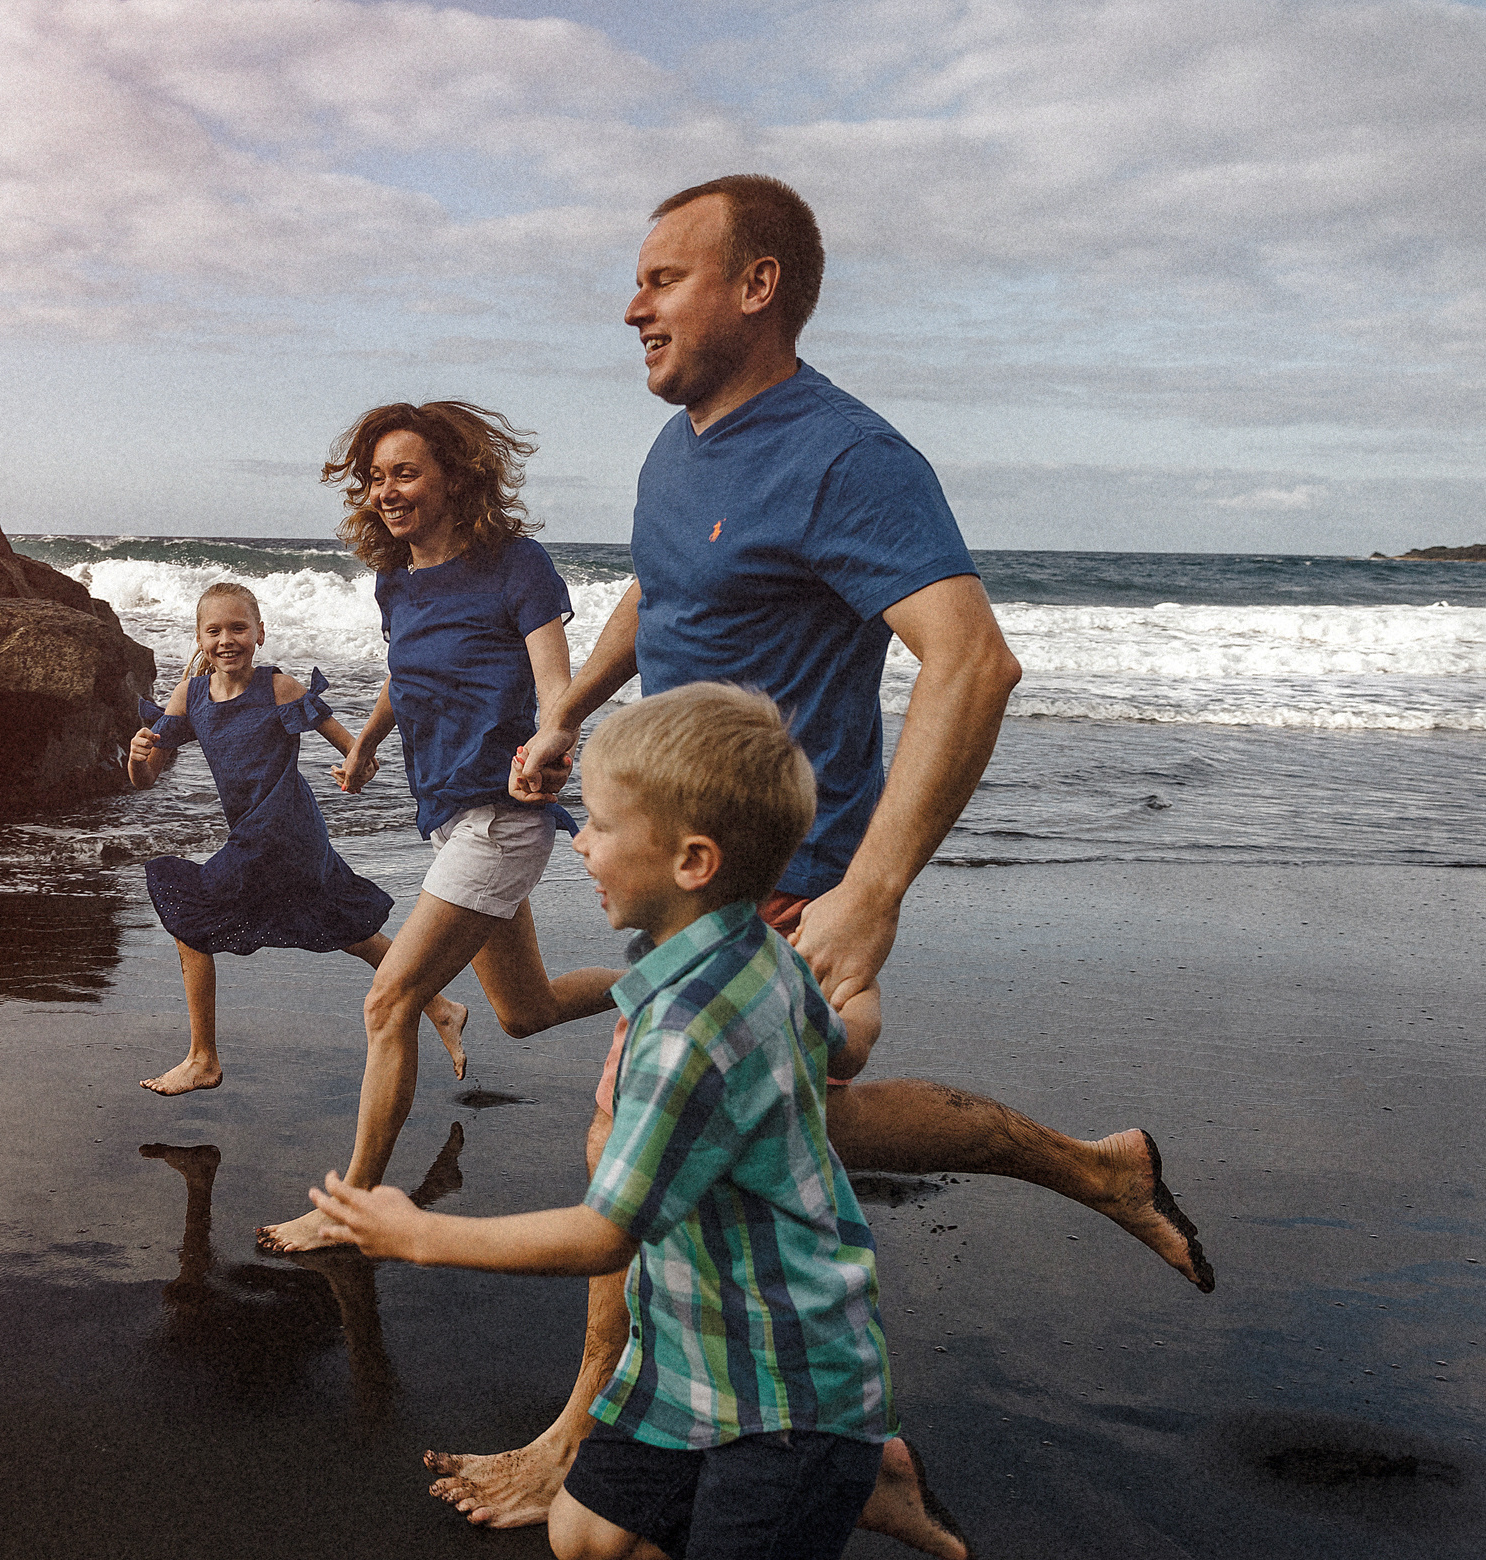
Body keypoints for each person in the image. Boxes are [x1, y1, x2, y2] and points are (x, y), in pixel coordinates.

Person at [420, 174, 1209, 1556]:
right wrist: (571, 708)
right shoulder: (681, 452)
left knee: (634, 1142)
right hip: (686, 878)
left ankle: (583, 1437)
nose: (632, 303)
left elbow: (973, 658)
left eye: (664, 277)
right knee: (775, 1134)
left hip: (780, 878)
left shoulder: (848, 456)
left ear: (757, 285)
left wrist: (870, 895)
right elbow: (665, 586)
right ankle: (1087, 1180)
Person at [314, 683, 892, 1560]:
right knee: (581, 1535)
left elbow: (604, 1236)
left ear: (692, 861)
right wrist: (865, 1004)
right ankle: (871, 1485)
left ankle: (854, 1480)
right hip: (692, 1349)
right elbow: (842, 1049)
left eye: (602, 825)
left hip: (786, 1388)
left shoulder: (686, 1032)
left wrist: (418, 1233)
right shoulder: (761, 946)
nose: (577, 841)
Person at [251, 402, 622, 1253]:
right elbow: (402, 672)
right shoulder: (397, 581)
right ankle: (671, 979)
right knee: (524, 1011)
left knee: (392, 1002)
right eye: (377, 476)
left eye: (406, 472)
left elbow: (554, 679)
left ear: (456, 477)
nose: (387, 490)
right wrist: (369, 743)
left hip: (503, 814)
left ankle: (352, 1208)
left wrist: (553, 736)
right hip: (448, 815)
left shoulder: (515, 566)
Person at [129, 581, 467, 1095]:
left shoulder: (278, 688)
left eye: (239, 628)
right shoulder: (191, 697)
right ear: (198, 637)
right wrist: (135, 758)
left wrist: (357, 768)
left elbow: (355, 749)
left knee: (186, 907)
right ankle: (440, 1006)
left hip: (285, 830)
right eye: (214, 630)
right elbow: (146, 778)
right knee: (341, 928)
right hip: (263, 834)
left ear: (260, 633)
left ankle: (203, 1057)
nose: (227, 639)